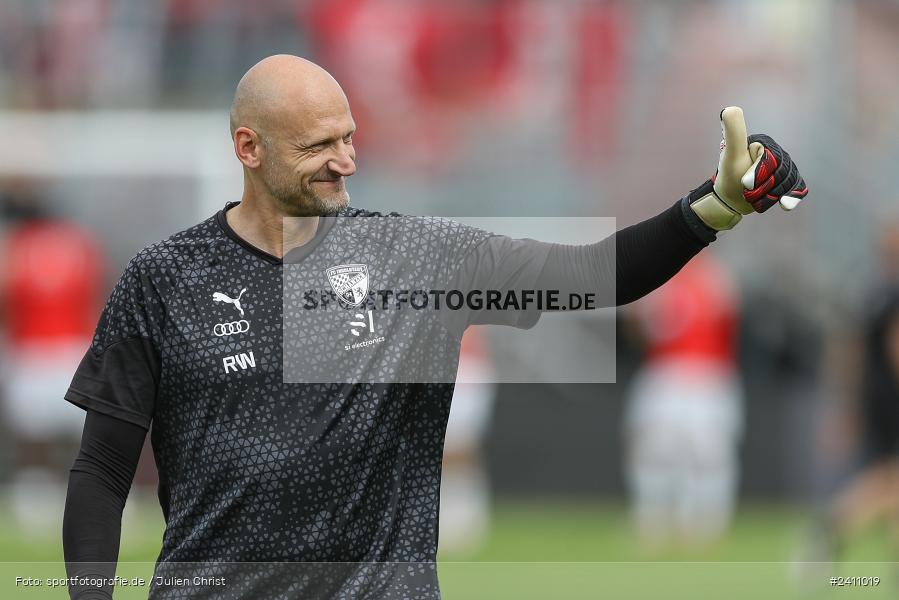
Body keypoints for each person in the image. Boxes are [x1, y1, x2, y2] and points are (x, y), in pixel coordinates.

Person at [61, 55, 808, 599]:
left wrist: (715, 207)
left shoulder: (419, 256)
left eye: (348, 137)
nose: (343, 161)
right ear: (248, 149)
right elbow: (102, 470)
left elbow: (594, 275)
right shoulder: (162, 278)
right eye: (317, 145)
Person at [624, 253, 742, 550]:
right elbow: (638, 328)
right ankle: (652, 521)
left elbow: (729, 323)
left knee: (708, 454)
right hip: (665, 371)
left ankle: (705, 525)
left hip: (708, 373)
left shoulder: (717, 277)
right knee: (654, 451)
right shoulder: (659, 275)